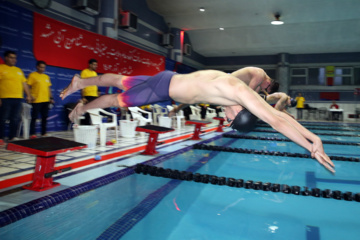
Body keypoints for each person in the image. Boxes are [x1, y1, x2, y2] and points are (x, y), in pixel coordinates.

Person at [60, 69, 335, 173]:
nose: (224, 118)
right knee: (115, 100)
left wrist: (314, 138)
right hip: (163, 89)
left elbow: (277, 114)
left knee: (120, 81)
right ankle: (81, 109)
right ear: (239, 112)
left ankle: (80, 82)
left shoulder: (243, 95)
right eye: (230, 119)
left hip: (167, 82)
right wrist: (309, 145)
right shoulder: (237, 92)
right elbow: (275, 122)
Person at [0, 51, 33, 144]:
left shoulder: (18, 70)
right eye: (11, 57)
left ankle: (12, 137)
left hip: (18, 98)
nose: (14, 60)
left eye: (15, 58)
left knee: (15, 119)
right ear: (6, 58)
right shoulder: (1, 68)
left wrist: (28, 95)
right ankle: (0, 138)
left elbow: (24, 84)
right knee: (2, 119)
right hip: (4, 98)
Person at [27, 61, 54, 138]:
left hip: (46, 100)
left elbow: (48, 88)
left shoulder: (46, 77)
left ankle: (43, 133)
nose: (42, 69)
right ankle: (32, 134)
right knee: (34, 117)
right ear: (37, 67)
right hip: (36, 101)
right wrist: (30, 95)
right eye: (41, 67)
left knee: (44, 117)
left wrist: (51, 98)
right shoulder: (32, 75)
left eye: (44, 67)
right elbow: (27, 86)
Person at [80, 59, 99, 125]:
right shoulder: (84, 72)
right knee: (87, 113)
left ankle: (91, 127)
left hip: (94, 96)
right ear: (90, 65)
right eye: (94, 64)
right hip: (87, 95)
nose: (96, 66)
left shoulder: (95, 73)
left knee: (93, 113)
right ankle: (84, 127)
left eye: (96, 65)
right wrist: (83, 97)